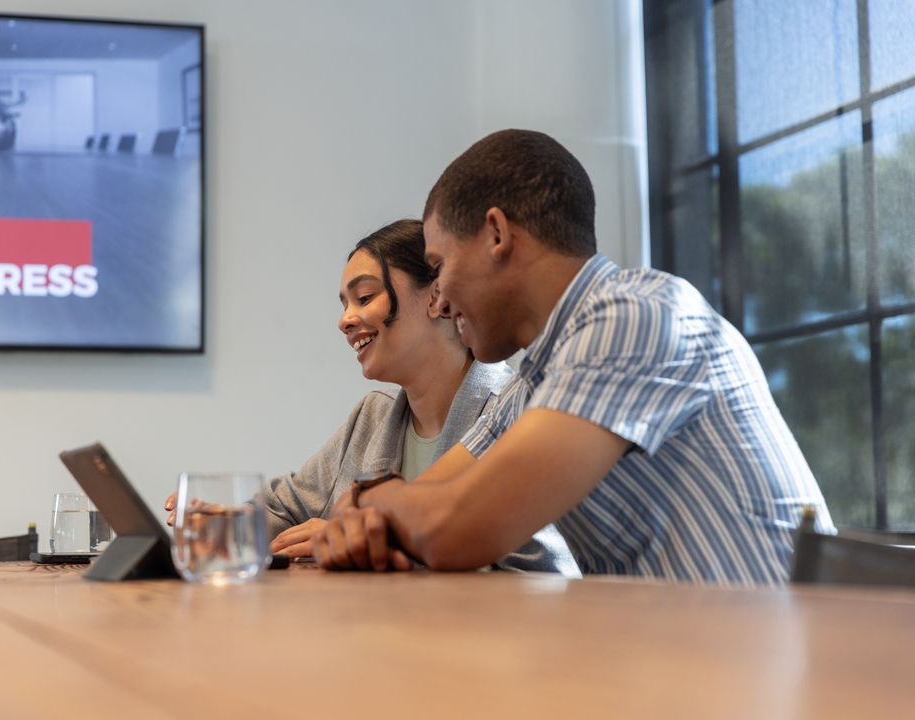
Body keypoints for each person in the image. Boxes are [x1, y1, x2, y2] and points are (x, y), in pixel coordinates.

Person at [311, 129, 834, 585]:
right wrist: (374, 514)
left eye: (439, 263)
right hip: (682, 663)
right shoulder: (534, 384)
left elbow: (457, 526)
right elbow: (434, 495)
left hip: (781, 672)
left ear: (497, 234)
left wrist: (369, 504)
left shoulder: (635, 315)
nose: (440, 300)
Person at [165, 218, 577, 574]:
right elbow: (284, 510)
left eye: (364, 298)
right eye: (345, 304)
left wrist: (368, 544)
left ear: (437, 296)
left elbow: (536, 571)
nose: (345, 320)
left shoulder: (519, 409)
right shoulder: (372, 418)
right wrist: (228, 523)